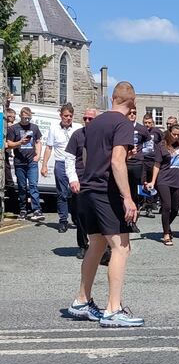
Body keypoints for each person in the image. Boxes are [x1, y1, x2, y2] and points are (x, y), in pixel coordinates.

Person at [67, 82, 142, 328]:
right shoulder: (123, 124)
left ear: (112, 98)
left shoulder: (95, 122)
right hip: (104, 191)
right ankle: (113, 309)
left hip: (87, 190)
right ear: (133, 103)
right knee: (121, 248)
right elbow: (117, 162)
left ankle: (81, 301)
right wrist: (128, 197)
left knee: (97, 243)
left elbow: (98, 154)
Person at [146, 124, 179, 246]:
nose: (176, 136)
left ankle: (167, 225)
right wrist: (153, 182)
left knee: (175, 208)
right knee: (166, 206)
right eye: (174, 134)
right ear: (169, 133)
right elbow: (157, 164)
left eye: (178, 134)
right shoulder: (162, 145)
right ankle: (166, 234)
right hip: (163, 180)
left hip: (177, 180)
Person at [41, 103, 81, 233]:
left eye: (70, 116)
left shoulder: (78, 128)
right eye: (66, 116)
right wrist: (44, 165)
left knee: (76, 193)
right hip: (61, 163)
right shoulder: (54, 129)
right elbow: (49, 147)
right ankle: (63, 220)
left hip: (75, 164)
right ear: (61, 116)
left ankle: (76, 217)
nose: (68, 118)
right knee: (62, 193)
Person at [65, 107, 98, 259]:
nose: (87, 121)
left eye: (90, 119)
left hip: (98, 180)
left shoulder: (102, 135)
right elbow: (70, 159)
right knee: (80, 215)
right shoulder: (77, 135)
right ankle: (83, 245)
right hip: (80, 180)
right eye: (85, 118)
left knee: (99, 215)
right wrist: (72, 179)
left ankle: (102, 247)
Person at [8, 106, 45, 221]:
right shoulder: (14, 128)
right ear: (20, 117)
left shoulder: (34, 128)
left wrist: (38, 155)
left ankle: (37, 210)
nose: (27, 121)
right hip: (19, 162)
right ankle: (23, 209)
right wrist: (20, 142)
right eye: (25, 118)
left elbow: (38, 142)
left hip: (31, 162)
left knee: (33, 185)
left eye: (29, 118)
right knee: (22, 187)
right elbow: (9, 143)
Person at [3, 108, 18, 214]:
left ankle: (13, 206)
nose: (13, 119)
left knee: (9, 181)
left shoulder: (10, 128)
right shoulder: (6, 127)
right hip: (4, 155)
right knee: (9, 181)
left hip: (7, 155)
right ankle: (13, 206)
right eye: (12, 116)